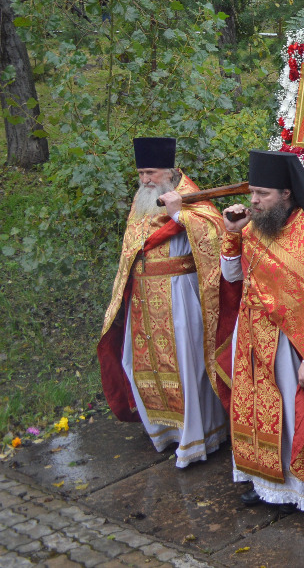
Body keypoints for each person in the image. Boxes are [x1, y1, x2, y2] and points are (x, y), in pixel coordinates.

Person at [220, 151, 304, 511]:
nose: (253, 201)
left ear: (286, 195)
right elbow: (234, 277)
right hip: (251, 337)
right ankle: (262, 479)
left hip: (289, 345)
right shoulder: (252, 229)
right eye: (252, 192)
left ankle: (297, 486)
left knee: (288, 413)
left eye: (262, 194)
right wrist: (231, 236)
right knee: (254, 411)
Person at [98, 137, 227, 468]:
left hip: (179, 293)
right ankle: (163, 430)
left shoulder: (189, 194)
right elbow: (132, 247)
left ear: (169, 170)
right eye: (141, 173)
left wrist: (180, 214)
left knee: (186, 367)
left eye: (150, 172)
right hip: (144, 297)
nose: (145, 180)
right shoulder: (143, 198)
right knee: (136, 363)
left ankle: (196, 439)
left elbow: (216, 231)